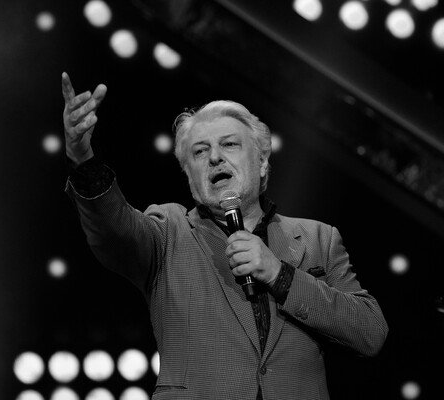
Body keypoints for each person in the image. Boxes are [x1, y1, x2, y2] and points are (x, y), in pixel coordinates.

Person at [61, 71, 388, 400]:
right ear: (189, 176)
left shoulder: (319, 238)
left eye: (229, 144)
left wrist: (281, 275)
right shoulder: (167, 231)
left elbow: (370, 333)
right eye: (200, 152)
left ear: (262, 162)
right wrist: (82, 159)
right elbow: (113, 227)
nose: (215, 157)